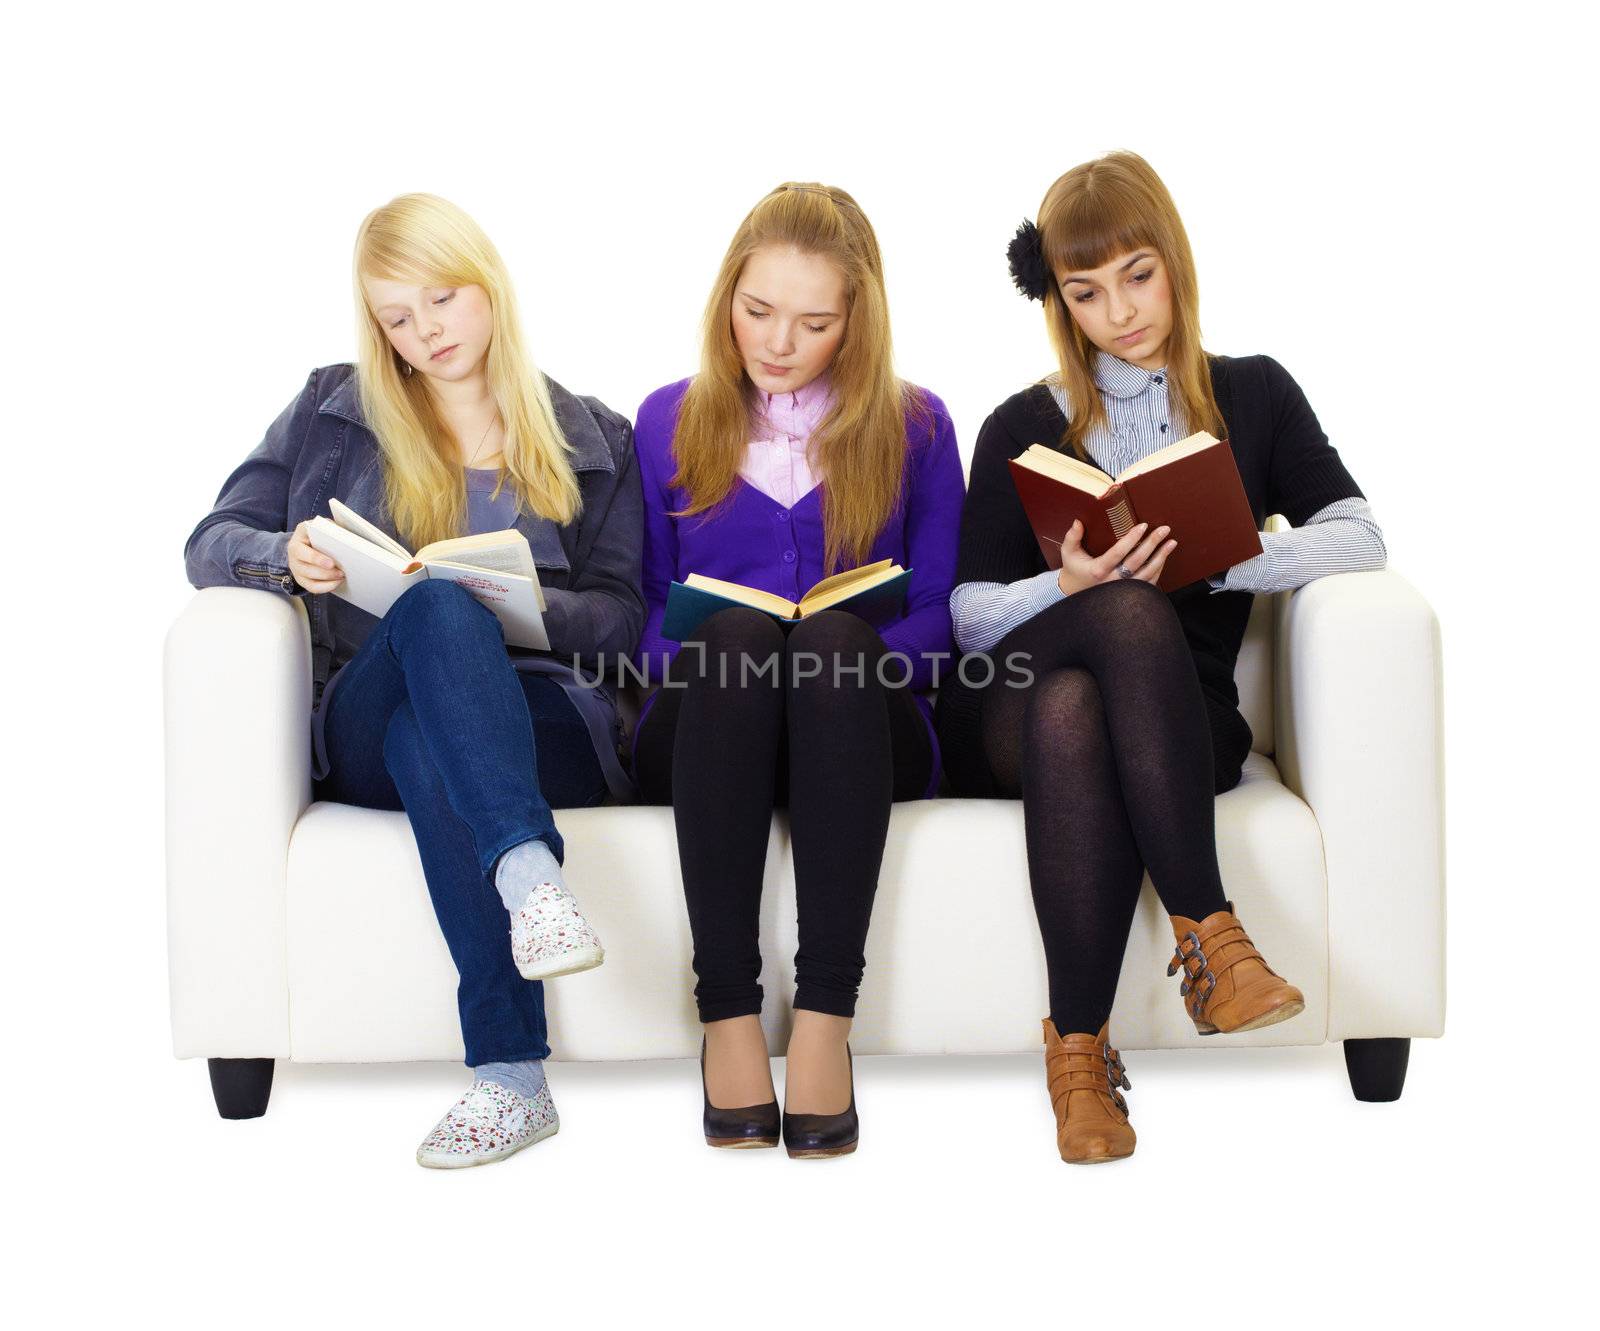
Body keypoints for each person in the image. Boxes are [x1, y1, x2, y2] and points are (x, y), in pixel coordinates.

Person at [937, 151, 1386, 1164]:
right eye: (1086, 293)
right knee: (1105, 628)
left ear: (1173, 262)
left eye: (1137, 275)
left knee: (1078, 717)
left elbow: (1359, 532)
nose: (1120, 312)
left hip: (1174, 715)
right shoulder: (1022, 423)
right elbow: (967, 617)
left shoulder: (1254, 394)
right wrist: (1073, 585)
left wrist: (1231, 558)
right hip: (1003, 701)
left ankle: (1080, 1064)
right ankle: (1213, 935)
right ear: (1060, 302)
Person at [184, 193, 644, 1169]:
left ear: (490, 288)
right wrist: (285, 551)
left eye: (443, 298)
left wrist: (518, 605)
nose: (424, 330)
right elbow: (209, 541)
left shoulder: (591, 432)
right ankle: (531, 878)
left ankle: (513, 1078)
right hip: (367, 699)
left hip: (537, 712)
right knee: (429, 614)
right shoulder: (332, 408)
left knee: (434, 709)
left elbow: (625, 618)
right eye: (396, 316)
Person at [630, 182, 965, 1158]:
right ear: (724, 299)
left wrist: (839, 663)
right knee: (733, 641)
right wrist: (722, 657)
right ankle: (728, 1013)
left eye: (812, 322)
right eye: (757, 310)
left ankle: (824, 1019)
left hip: (862, 722)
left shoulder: (919, 425)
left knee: (827, 645)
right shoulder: (664, 419)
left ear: (854, 323)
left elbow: (940, 610)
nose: (777, 341)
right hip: (705, 727)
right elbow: (646, 610)